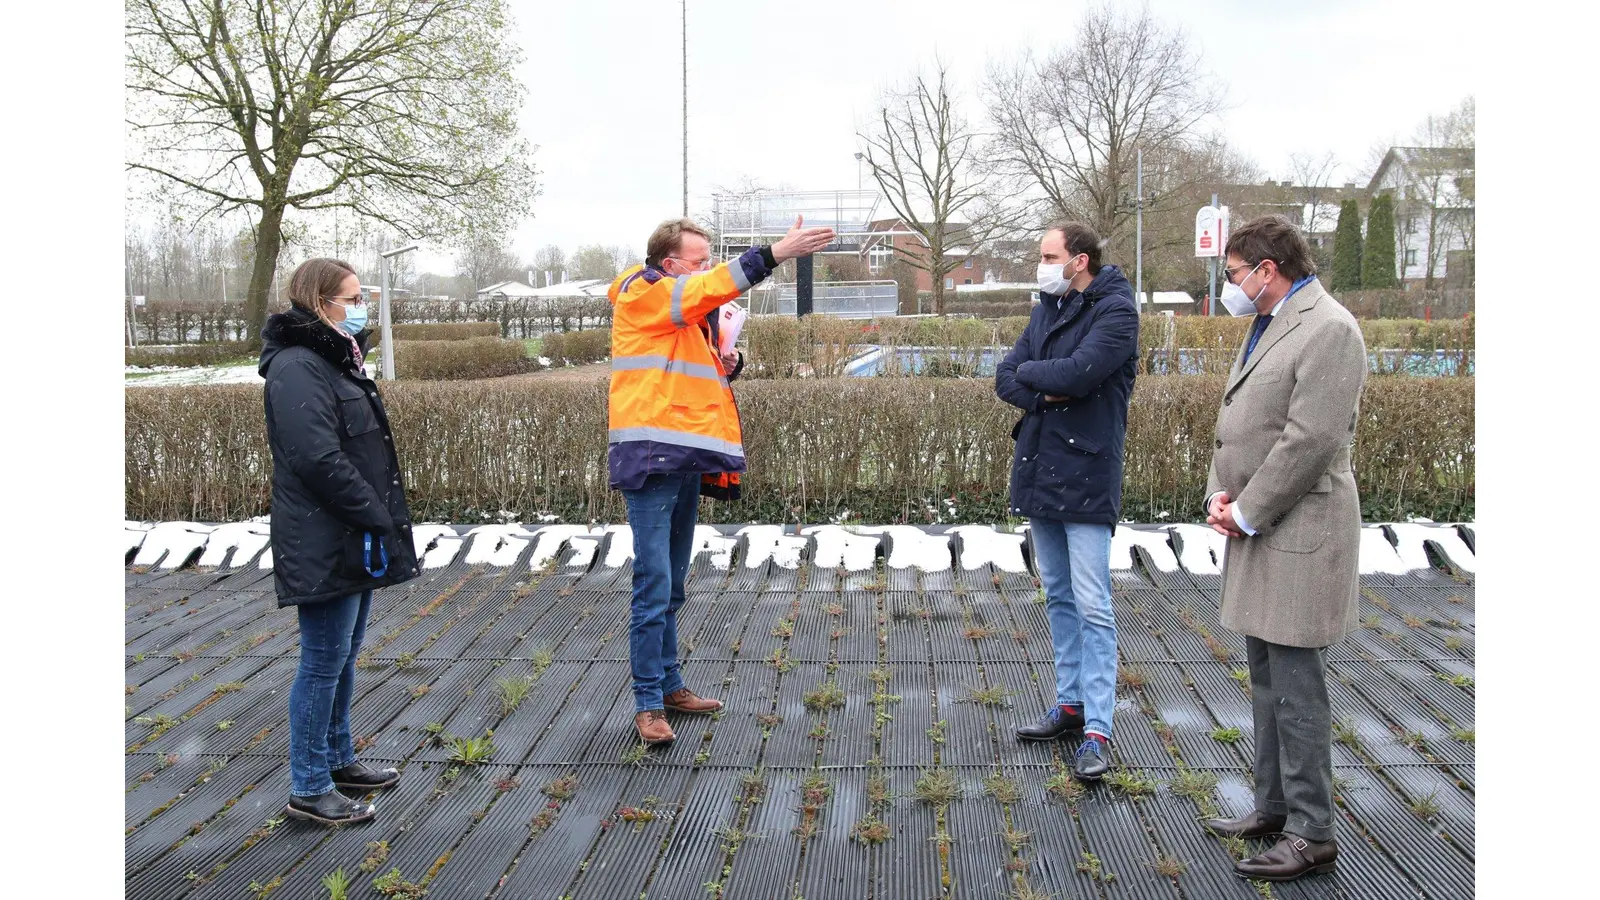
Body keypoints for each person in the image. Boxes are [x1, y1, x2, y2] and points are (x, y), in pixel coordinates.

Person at [609, 216, 835, 745]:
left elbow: (676, 373)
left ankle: (669, 686)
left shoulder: (681, 312)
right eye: (697, 261)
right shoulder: (645, 293)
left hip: (681, 455)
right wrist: (774, 253)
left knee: (673, 584)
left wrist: (725, 363)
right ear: (669, 266)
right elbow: (708, 290)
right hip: (651, 457)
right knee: (653, 584)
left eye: (709, 260)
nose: (706, 270)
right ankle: (648, 704)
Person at [1199, 215, 1367, 882]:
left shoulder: (1329, 329)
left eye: (1236, 273)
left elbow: (1309, 441)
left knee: (1297, 690)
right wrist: (1222, 494)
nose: (1231, 285)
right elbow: (1241, 420)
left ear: (1267, 270)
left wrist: (1246, 508)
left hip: (1299, 529)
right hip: (1262, 526)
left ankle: (1311, 832)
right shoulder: (1271, 321)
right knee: (1267, 680)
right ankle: (1273, 807)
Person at [259, 258, 421, 825]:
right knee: (323, 660)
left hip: (347, 531)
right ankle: (308, 785)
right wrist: (374, 514)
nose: (360, 307)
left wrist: (372, 518)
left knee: (344, 655)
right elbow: (316, 456)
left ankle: (337, 758)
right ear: (320, 302)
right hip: (325, 534)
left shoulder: (333, 359)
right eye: (351, 298)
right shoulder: (299, 366)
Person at [994, 223, 1139, 780]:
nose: (1041, 264)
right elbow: (1007, 377)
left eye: (1049, 256)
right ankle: (1070, 704)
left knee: (1093, 603)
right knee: (1057, 594)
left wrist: (1045, 378)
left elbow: (1081, 373)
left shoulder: (1116, 313)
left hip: (1086, 471)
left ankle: (1098, 729)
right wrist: (1044, 382)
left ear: (1079, 260)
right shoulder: (1047, 309)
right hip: (1040, 467)